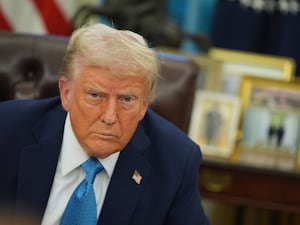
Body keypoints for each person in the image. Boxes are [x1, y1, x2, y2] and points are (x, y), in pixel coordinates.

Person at [0, 23, 210, 225]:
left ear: (144, 105)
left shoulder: (175, 161)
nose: (110, 117)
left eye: (127, 99)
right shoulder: (7, 129)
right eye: (95, 95)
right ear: (66, 94)